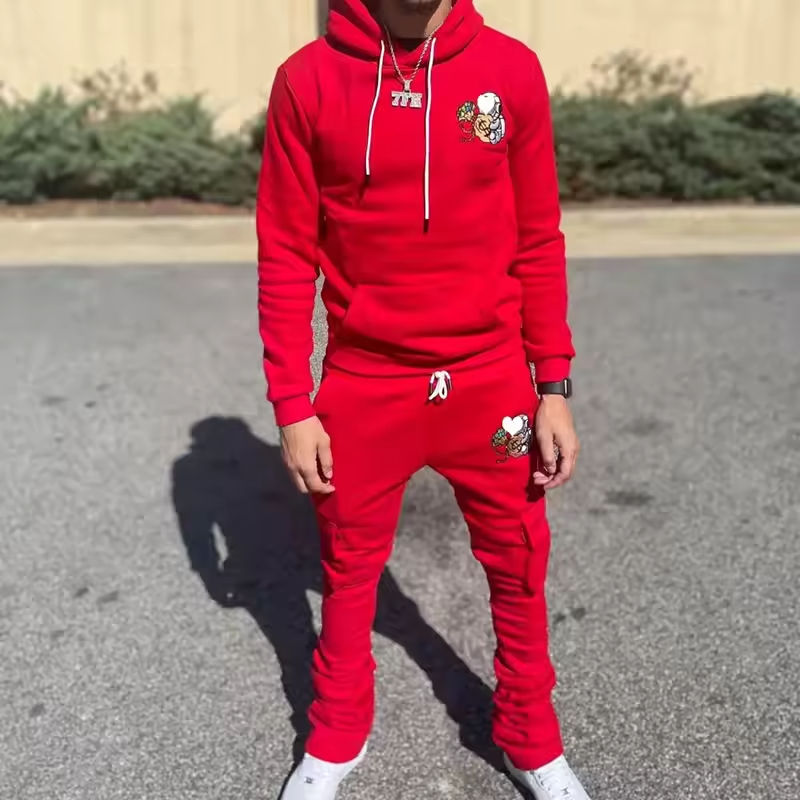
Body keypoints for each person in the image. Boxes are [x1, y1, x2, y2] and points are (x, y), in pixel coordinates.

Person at [257, 1, 590, 798]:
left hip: (491, 383)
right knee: (348, 571)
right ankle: (337, 733)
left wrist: (553, 384)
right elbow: (286, 250)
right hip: (367, 386)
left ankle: (530, 738)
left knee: (519, 563)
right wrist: (293, 404)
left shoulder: (511, 72)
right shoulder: (307, 80)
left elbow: (539, 237)